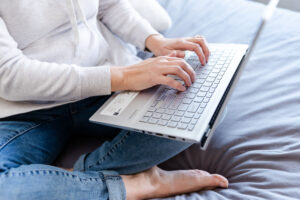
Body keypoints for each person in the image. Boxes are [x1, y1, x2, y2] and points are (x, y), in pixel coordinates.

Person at [0, 0, 229, 199]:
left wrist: (155, 41)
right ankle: (137, 183)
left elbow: (109, 5)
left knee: (208, 105)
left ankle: (76, 183)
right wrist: (123, 76)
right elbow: (8, 74)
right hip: (27, 111)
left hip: (107, 88)